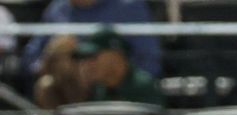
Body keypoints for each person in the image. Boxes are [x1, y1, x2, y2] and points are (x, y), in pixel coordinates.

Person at [22, 0, 162, 78]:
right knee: (46, 87)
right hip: (66, 92)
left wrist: (110, 67)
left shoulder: (129, 6)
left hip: (114, 89)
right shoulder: (57, 9)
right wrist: (51, 53)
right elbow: (30, 58)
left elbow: (150, 62)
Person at [73, 26, 163, 105]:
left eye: (93, 57)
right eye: (84, 59)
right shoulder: (97, 89)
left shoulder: (143, 86)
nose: (86, 64)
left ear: (116, 55)